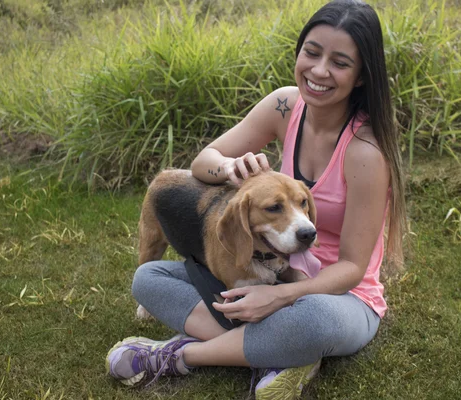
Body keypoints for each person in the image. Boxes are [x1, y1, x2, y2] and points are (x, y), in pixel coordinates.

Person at [105, 0, 406, 398]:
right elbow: (202, 162)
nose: (319, 71)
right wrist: (230, 170)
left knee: (309, 322)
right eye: (312, 53)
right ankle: (281, 354)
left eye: (339, 62)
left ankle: (184, 355)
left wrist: (278, 296)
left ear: (362, 75)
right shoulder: (284, 105)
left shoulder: (365, 152)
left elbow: (352, 267)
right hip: (269, 266)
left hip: (337, 298)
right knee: (148, 278)